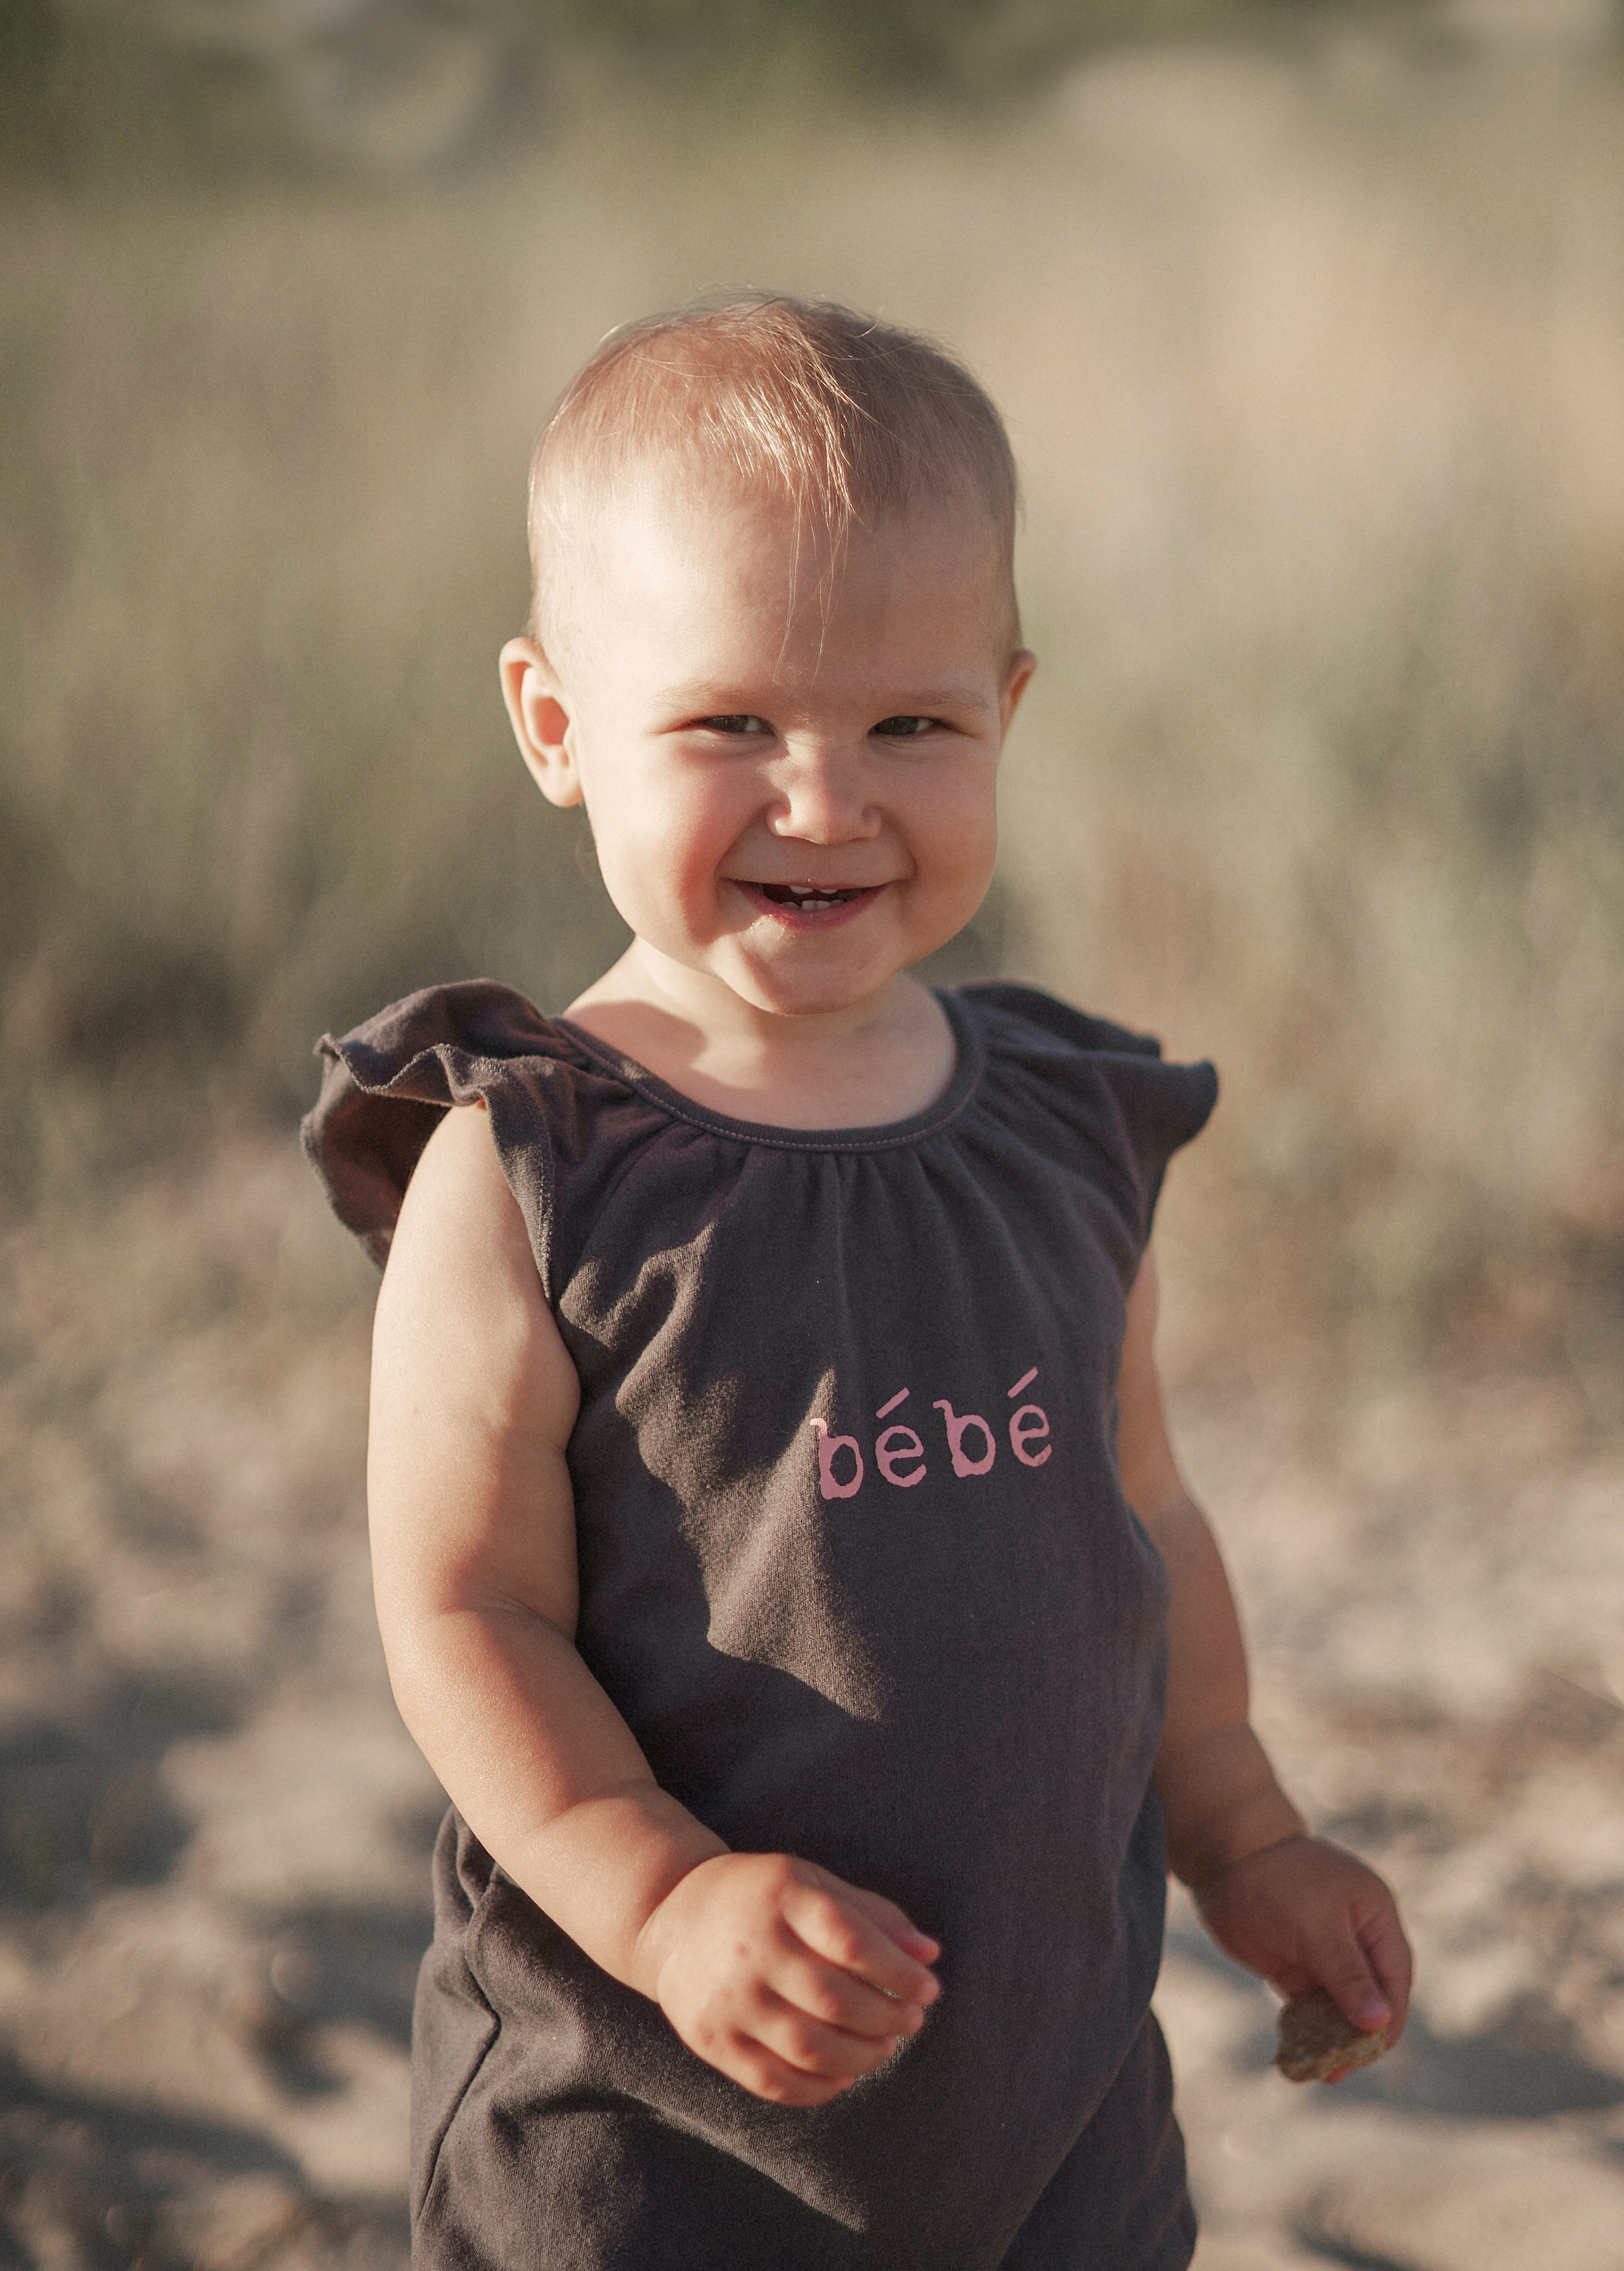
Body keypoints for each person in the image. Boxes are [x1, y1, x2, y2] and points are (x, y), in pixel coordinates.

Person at [303, 296, 1411, 2270]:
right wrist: (656, 1900)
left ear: (1008, 705)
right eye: (732, 722)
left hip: (1051, 2107)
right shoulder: (536, 1166)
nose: (827, 799)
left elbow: (1142, 1516)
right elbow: (464, 1606)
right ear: (558, 727)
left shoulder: (1066, 1136)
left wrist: (1245, 1830)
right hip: (655, 2120)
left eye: (912, 720)